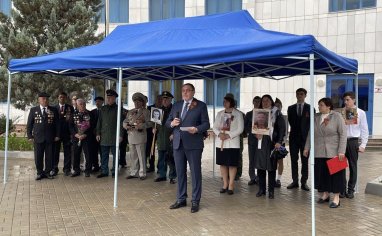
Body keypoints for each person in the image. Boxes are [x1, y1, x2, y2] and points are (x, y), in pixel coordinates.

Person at [166, 83, 210, 213]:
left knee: (195, 173)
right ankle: (181, 199)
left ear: (193, 92)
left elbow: (206, 124)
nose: (185, 93)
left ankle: (195, 200)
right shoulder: (177, 105)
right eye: (183, 90)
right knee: (180, 172)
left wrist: (196, 129)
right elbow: (167, 122)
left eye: (188, 90)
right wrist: (172, 123)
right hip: (178, 144)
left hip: (194, 144)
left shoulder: (200, 105)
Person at [303, 97, 347, 208]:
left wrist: (341, 150)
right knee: (322, 174)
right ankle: (325, 194)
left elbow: (343, 134)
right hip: (319, 150)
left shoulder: (337, 116)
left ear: (328, 106)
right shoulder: (316, 117)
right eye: (319, 105)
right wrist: (306, 148)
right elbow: (310, 134)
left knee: (336, 175)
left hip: (334, 151)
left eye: (321, 105)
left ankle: (336, 198)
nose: (319, 107)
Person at [254, 94, 286, 199]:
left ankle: (271, 191)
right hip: (261, 142)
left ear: (271, 102)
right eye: (263, 101)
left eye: (267, 100)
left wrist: (279, 142)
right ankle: (261, 189)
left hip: (272, 143)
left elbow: (282, 129)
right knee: (260, 167)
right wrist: (256, 133)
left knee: (271, 168)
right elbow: (255, 127)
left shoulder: (277, 113)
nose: (265, 102)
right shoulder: (258, 113)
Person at [213, 94, 244, 195]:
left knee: (232, 164)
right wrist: (219, 134)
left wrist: (229, 135)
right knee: (223, 163)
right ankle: (225, 184)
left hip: (232, 143)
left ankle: (231, 185)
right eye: (223, 101)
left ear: (231, 102)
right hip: (221, 143)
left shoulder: (238, 114)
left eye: (226, 101)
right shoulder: (220, 113)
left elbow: (240, 129)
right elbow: (214, 127)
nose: (224, 103)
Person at [27, 92, 60, 180]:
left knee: (49, 156)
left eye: (47, 99)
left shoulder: (53, 110)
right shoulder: (33, 110)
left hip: (50, 137)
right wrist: (30, 136)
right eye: (43, 99)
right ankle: (39, 173)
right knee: (38, 156)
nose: (45, 100)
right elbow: (30, 124)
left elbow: (57, 124)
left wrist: (57, 135)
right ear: (39, 100)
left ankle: (48, 172)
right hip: (38, 137)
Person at [342, 91, 369, 199]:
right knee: (340, 166)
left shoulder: (360, 112)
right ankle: (341, 190)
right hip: (343, 141)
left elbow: (364, 129)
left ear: (354, 100)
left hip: (353, 141)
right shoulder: (342, 111)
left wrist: (363, 145)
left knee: (353, 166)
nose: (346, 102)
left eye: (348, 100)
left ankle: (351, 190)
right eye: (344, 100)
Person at [287, 88, 312, 191]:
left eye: (301, 94)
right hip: (293, 138)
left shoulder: (310, 108)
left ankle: (304, 182)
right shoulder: (291, 108)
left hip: (305, 139)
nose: (299, 96)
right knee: (294, 160)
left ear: (305, 95)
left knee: (305, 161)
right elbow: (290, 121)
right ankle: (295, 181)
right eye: (298, 94)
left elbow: (311, 124)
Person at [96, 89, 123, 178]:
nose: (108, 99)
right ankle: (104, 171)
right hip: (104, 135)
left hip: (114, 135)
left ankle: (114, 171)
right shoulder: (103, 108)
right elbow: (99, 122)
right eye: (108, 97)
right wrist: (97, 133)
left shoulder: (118, 109)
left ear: (114, 98)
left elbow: (121, 123)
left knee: (115, 155)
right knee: (104, 155)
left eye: (110, 97)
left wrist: (121, 135)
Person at [124, 92, 151, 180]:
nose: (136, 103)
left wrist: (142, 126)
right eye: (135, 102)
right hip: (131, 136)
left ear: (142, 102)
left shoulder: (146, 112)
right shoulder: (130, 111)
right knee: (133, 156)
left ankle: (142, 173)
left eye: (138, 102)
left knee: (141, 156)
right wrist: (125, 126)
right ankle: (133, 172)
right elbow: (125, 121)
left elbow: (150, 123)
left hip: (140, 136)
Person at [153, 91, 177, 184]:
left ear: (171, 100)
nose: (165, 101)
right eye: (163, 99)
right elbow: (154, 123)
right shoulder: (158, 110)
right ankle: (162, 175)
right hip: (160, 137)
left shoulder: (174, 110)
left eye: (167, 99)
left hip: (170, 137)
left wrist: (174, 133)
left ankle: (172, 176)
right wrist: (153, 128)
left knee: (171, 158)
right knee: (161, 158)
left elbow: (178, 123)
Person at [53, 92, 74, 176]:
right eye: (60, 97)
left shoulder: (70, 108)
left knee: (67, 152)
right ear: (58, 98)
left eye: (64, 97)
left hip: (67, 134)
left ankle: (66, 169)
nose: (62, 98)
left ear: (66, 98)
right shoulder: (54, 108)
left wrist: (72, 133)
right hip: (57, 134)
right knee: (55, 152)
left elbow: (72, 121)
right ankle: (54, 168)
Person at [69, 99, 92, 177]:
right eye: (81, 104)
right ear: (77, 105)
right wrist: (76, 134)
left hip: (86, 138)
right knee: (76, 154)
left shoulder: (89, 114)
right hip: (76, 138)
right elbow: (70, 126)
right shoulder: (73, 114)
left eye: (84, 104)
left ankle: (88, 170)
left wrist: (85, 134)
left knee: (88, 154)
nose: (83, 105)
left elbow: (92, 126)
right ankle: (76, 170)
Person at [244, 96, 261, 185]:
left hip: (261, 140)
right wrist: (253, 131)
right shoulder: (249, 114)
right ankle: (252, 177)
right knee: (252, 159)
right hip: (252, 140)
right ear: (253, 102)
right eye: (255, 101)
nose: (257, 103)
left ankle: (259, 177)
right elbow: (245, 126)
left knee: (259, 159)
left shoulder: (264, 113)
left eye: (259, 101)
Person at [146, 95, 162, 173]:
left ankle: (160, 167)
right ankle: (151, 165)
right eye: (158, 100)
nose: (159, 101)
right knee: (150, 149)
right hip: (151, 132)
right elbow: (148, 119)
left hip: (160, 132)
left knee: (160, 149)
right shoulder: (149, 108)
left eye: (160, 100)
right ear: (155, 100)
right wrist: (152, 127)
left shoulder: (163, 109)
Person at [274, 98, 287, 188]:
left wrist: (281, 142)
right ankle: (272, 178)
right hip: (271, 142)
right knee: (272, 161)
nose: (277, 107)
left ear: (281, 107)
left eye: (279, 106)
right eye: (276, 106)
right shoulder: (270, 116)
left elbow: (285, 132)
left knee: (280, 161)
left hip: (280, 142)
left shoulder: (284, 117)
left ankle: (279, 179)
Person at [89, 96, 104, 172]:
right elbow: (90, 124)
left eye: (99, 101)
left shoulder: (104, 111)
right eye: (96, 101)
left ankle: (103, 166)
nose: (97, 103)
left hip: (103, 135)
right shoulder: (92, 112)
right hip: (94, 136)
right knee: (94, 151)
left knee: (102, 151)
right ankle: (95, 166)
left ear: (102, 102)